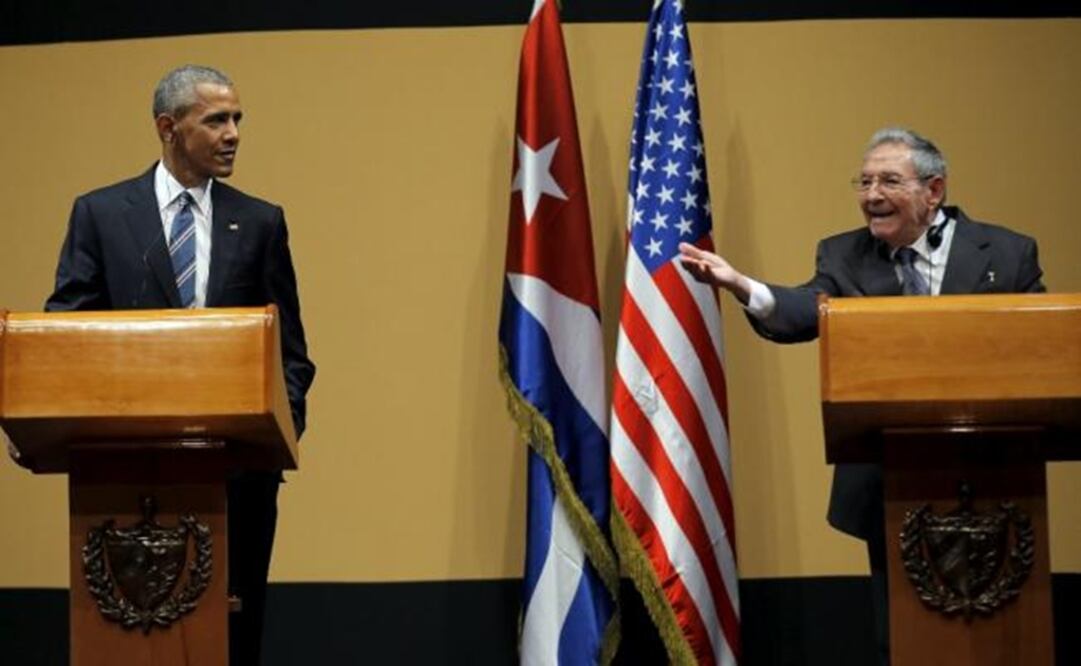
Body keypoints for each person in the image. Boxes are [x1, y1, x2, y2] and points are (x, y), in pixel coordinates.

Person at [678, 127, 1044, 664]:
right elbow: (805, 310)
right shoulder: (844, 255)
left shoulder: (1009, 253)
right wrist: (742, 285)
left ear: (934, 190)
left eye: (889, 181)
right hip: (889, 473)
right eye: (865, 181)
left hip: (997, 470)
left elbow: (1040, 348)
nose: (872, 194)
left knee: (1003, 637)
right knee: (900, 636)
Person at [45, 64, 316, 664]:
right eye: (216, 120)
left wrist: (276, 434)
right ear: (168, 128)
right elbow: (67, 336)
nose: (233, 133)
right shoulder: (101, 214)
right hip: (123, 471)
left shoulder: (261, 221)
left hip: (238, 476)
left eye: (237, 119)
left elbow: (290, 355)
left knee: (234, 640)